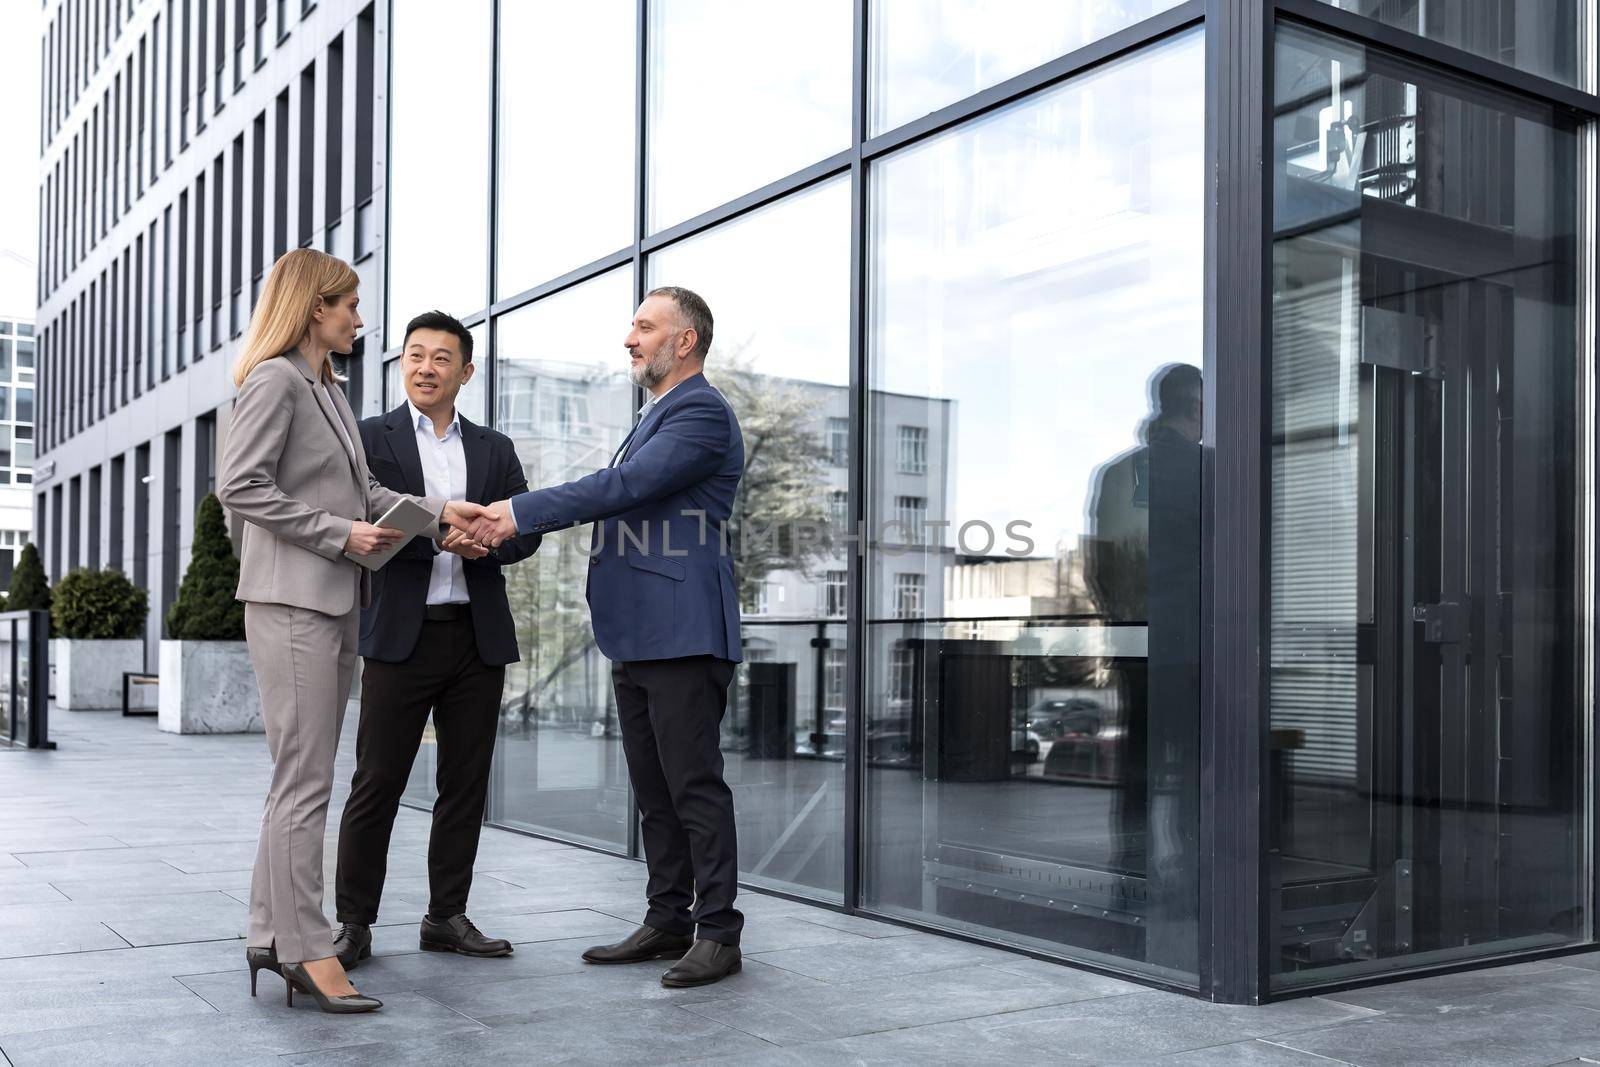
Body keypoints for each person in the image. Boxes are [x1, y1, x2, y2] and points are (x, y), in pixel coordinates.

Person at [451, 286, 746, 988]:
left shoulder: (701, 411)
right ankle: (669, 916)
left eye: (645, 326)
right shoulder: (657, 414)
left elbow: (625, 486)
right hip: (638, 632)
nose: (629, 338)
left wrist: (515, 513)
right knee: (655, 790)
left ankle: (720, 932)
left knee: (693, 786)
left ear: (685, 340)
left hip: (682, 631)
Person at [218, 249, 488, 1014]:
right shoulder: (274, 379)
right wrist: (339, 534)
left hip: (335, 601)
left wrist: (441, 513)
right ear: (314, 308)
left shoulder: (326, 387)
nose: (360, 320)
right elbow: (240, 485)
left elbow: (364, 488)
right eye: (349, 306)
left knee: (296, 778)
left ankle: (270, 932)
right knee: (307, 782)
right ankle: (307, 947)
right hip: (294, 599)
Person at [331, 311, 540, 969]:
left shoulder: (494, 449)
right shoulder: (370, 438)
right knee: (377, 783)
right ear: (402, 366)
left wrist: (489, 542)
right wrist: (429, 529)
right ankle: (354, 923)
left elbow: (525, 530)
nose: (425, 367)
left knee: (464, 785)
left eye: (441, 357)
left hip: (476, 640)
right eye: (415, 355)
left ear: (465, 371)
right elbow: (356, 513)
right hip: (399, 635)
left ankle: (446, 915)